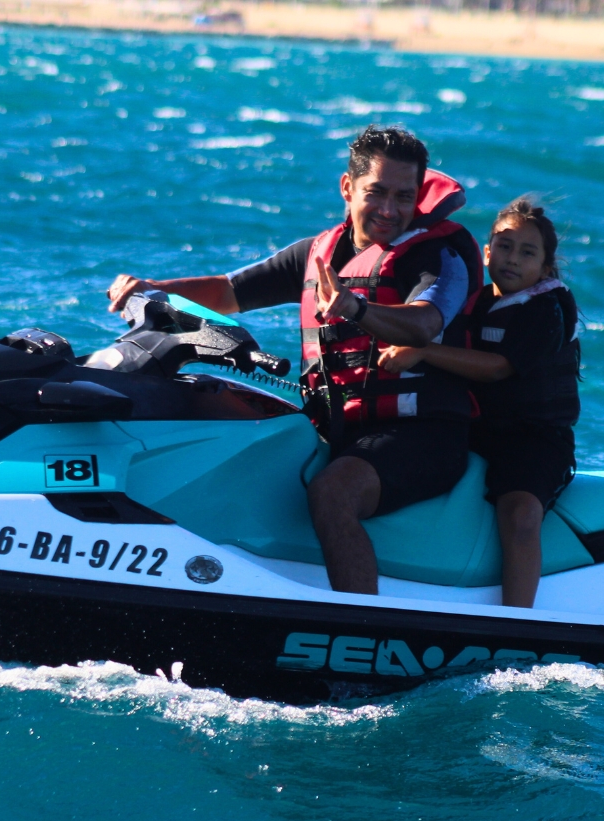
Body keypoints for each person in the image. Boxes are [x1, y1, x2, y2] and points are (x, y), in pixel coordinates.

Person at [107, 125, 482, 595]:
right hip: (337, 427)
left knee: (333, 493)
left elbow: (426, 322)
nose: (390, 210)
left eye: (404, 197)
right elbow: (227, 291)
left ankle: (359, 628)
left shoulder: (437, 255)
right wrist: (153, 289)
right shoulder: (317, 254)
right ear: (347, 188)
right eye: (376, 192)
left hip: (421, 434)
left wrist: (357, 308)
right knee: (210, 415)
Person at [379, 197, 580, 609]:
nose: (512, 259)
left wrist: (421, 350)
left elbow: (497, 368)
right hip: (477, 429)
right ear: (486, 252)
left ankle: (516, 619)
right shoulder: (477, 299)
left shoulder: (547, 309)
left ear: (545, 268)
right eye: (504, 247)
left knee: (520, 513)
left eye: (528, 253)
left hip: (535, 439)